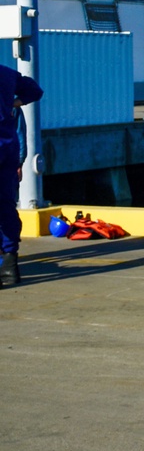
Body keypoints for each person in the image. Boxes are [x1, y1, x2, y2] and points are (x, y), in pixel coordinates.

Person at [0, 61, 43, 287]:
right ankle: (9, 264)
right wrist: (12, 103)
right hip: (7, 149)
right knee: (6, 205)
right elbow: (35, 91)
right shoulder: (7, 74)